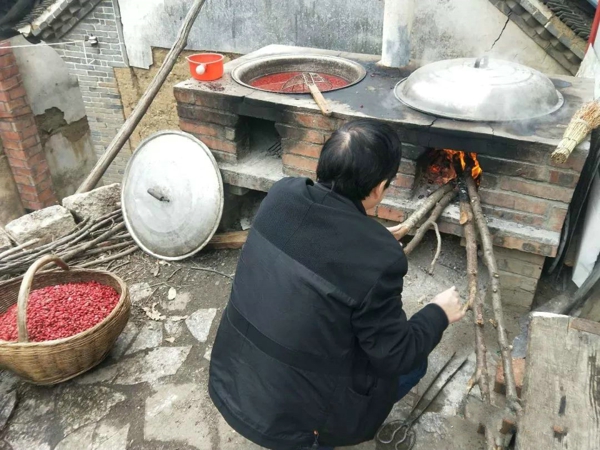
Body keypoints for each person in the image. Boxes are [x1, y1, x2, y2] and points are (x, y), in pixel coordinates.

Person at [208, 120, 465, 450]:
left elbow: (317, 240)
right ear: (377, 189)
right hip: (291, 424)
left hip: (231, 379)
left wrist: (372, 241)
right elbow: (396, 355)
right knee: (413, 365)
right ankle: (320, 438)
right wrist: (438, 313)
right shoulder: (380, 260)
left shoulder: (281, 194)